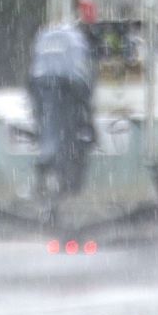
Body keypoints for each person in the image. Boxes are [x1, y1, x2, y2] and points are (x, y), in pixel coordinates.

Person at [27, 23, 95, 199]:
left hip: (43, 87)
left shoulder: (49, 45)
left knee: (51, 132)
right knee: (65, 135)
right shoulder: (75, 44)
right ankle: (64, 182)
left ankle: (47, 175)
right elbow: (84, 90)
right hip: (66, 89)